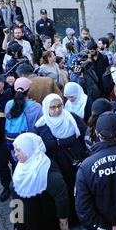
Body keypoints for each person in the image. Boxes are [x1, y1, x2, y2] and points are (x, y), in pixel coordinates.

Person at [35, 93, 87, 221]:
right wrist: (67, 140)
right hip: (57, 164)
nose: (57, 110)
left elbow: (84, 133)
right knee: (64, 190)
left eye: (59, 106)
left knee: (79, 188)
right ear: (46, 108)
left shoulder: (71, 117)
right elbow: (44, 145)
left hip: (76, 160)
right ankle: (68, 218)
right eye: (52, 107)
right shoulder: (41, 125)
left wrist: (59, 142)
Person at [11, 133, 71, 230]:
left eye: (18, 150)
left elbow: (62, 198)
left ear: (29, 150)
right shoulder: (22, 166)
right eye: (15, 150)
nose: (15, 154)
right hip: (25, 224)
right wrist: (17, 219)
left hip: (44, 225)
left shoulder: (46, 171)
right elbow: (15, 195)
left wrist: (63, 222)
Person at [4, 77, 43, 163]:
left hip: (14, 146)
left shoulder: (9, 104)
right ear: (28, 91)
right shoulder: (36, 107)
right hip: (30, 146)